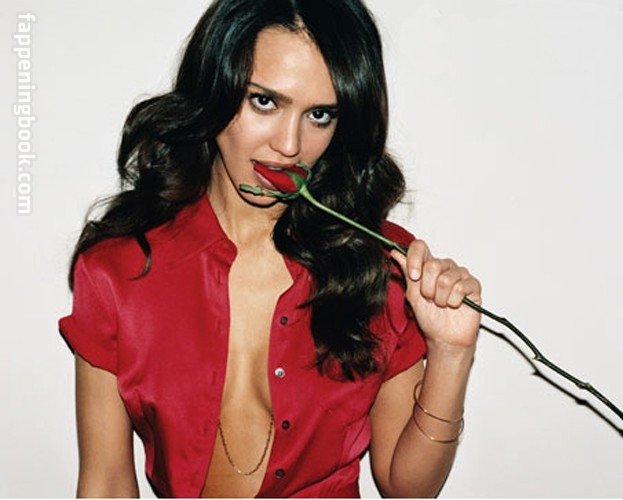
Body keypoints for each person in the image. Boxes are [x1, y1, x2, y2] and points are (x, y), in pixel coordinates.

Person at [58, 0, 482, 497]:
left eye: (319, 115)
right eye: (265, 102)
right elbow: (107, 482)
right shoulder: (120, 269)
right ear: (214, 90)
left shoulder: (380, 265)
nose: (289, 145)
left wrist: (451, 353)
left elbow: (408, 489)